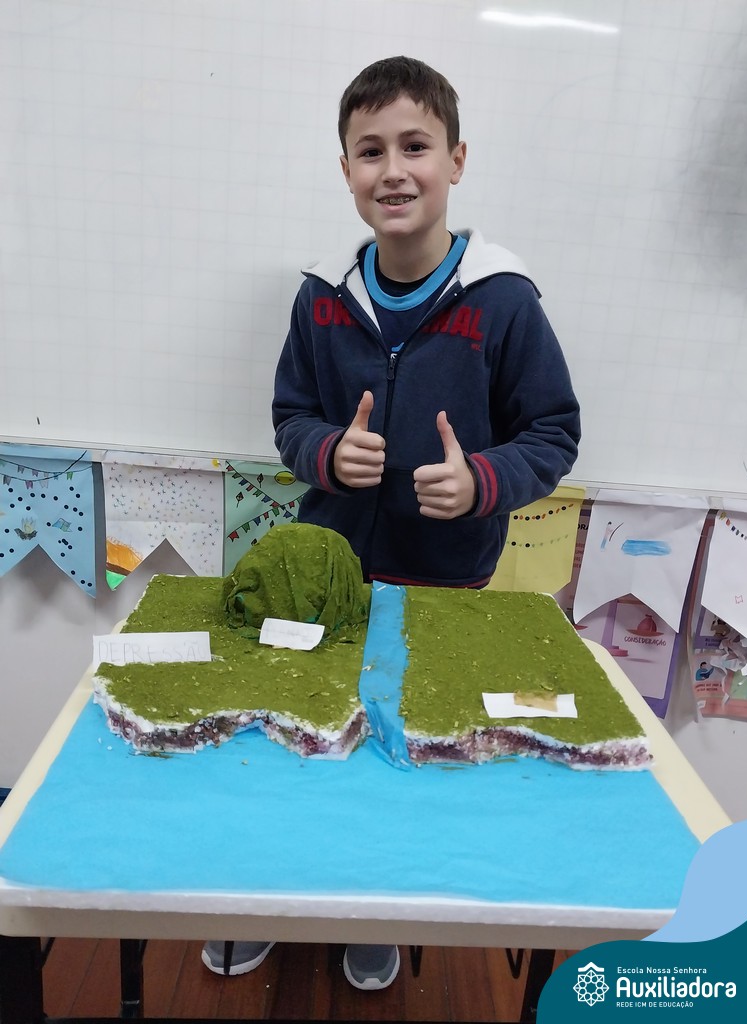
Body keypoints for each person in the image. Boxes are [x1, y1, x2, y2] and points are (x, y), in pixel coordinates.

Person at [203, 54, 580, 991]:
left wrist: (482, 480)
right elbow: (291, 418)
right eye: (370, 151)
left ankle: (375, 911)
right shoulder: (322, 295)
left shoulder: (504, 300)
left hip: (444, 581)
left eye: (416, 146)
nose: (394, 170)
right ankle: (271, 902)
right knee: (299, 740)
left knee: (400, 754)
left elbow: (553, 433)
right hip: (323, 580)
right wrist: (328, 454)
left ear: (457, 159)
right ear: (346, 170)